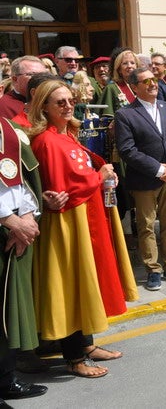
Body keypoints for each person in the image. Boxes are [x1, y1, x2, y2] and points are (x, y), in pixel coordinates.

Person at [28, 80, 138, 378]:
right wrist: (99, 175)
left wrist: (102, 175)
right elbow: (62, 190)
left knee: (86, 282)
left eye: (69, 100)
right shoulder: (47, 141)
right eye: (59, 102)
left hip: (84, 220)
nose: (67, 106)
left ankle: (86, 345)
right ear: (44, 107)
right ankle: (74, 357)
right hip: (66, 226)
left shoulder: (69, 135)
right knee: (72, 285)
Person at [114, 68, 166, 291]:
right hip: (146, 178)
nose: (152, 84)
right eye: (145, 81)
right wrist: (159, 169)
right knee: (147, 226)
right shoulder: (126, 114)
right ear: (134, 87)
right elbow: (127, 150)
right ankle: (153, 269)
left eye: (154, 79)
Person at [0, 116, 49, 402]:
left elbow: (26, 177)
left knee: (9, 314)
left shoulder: (11, 129)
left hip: (16, 229)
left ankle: (5, 379)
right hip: (8, 226)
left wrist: (27, 216)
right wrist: (10, 220)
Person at [99, 48, 142, 116]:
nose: (129, 66)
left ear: (137, 66)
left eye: (132, 63)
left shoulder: (142, 86)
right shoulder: (111, 88)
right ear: (119, 69)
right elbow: (107, 117)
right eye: (125, 63)